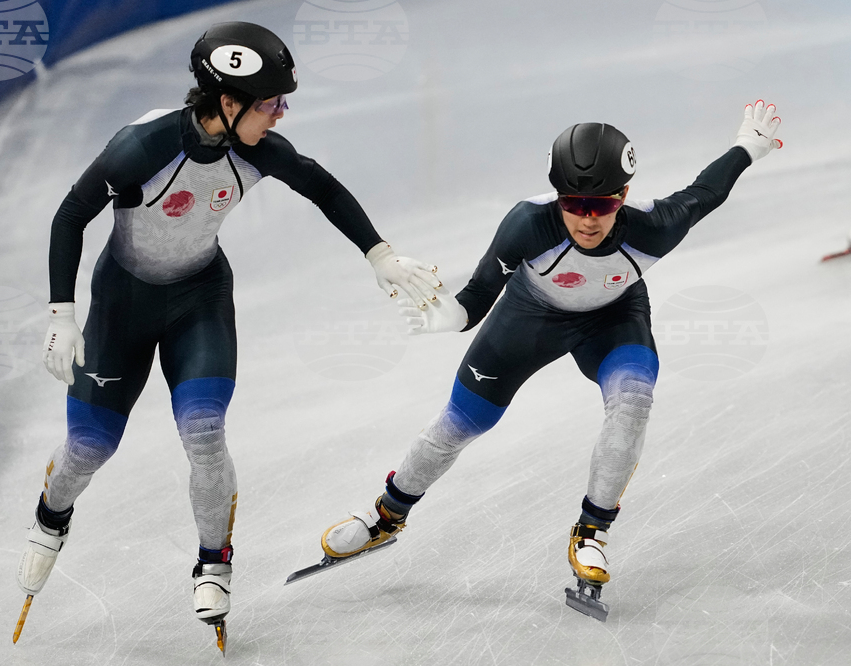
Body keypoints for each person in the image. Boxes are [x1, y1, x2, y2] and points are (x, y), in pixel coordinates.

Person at [15, 20, 442, 640]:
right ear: (227, 101)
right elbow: (70, 215)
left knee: (205, 432)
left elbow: (320, 185)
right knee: (88, 450)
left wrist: (380, 253)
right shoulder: (142, 147)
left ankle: (214, 561)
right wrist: (60, 312)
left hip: (199, 301)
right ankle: (51, 515)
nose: (282, 115)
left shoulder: (258, 150)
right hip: (121, 308)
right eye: (272, 103)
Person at [318, 100, 782, 619]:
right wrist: (449, 317)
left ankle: (592, 530)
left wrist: (748, 147)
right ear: (559, 197)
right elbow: (474, 300)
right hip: (527, 318)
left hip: (614, 318)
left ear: (624, 196)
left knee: (632, 401)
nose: (587, 219)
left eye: (602, 206)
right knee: (458, 423)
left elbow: (704, 194)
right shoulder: (527, 224)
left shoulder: (655, 227)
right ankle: (387, 515)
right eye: (574, 203)